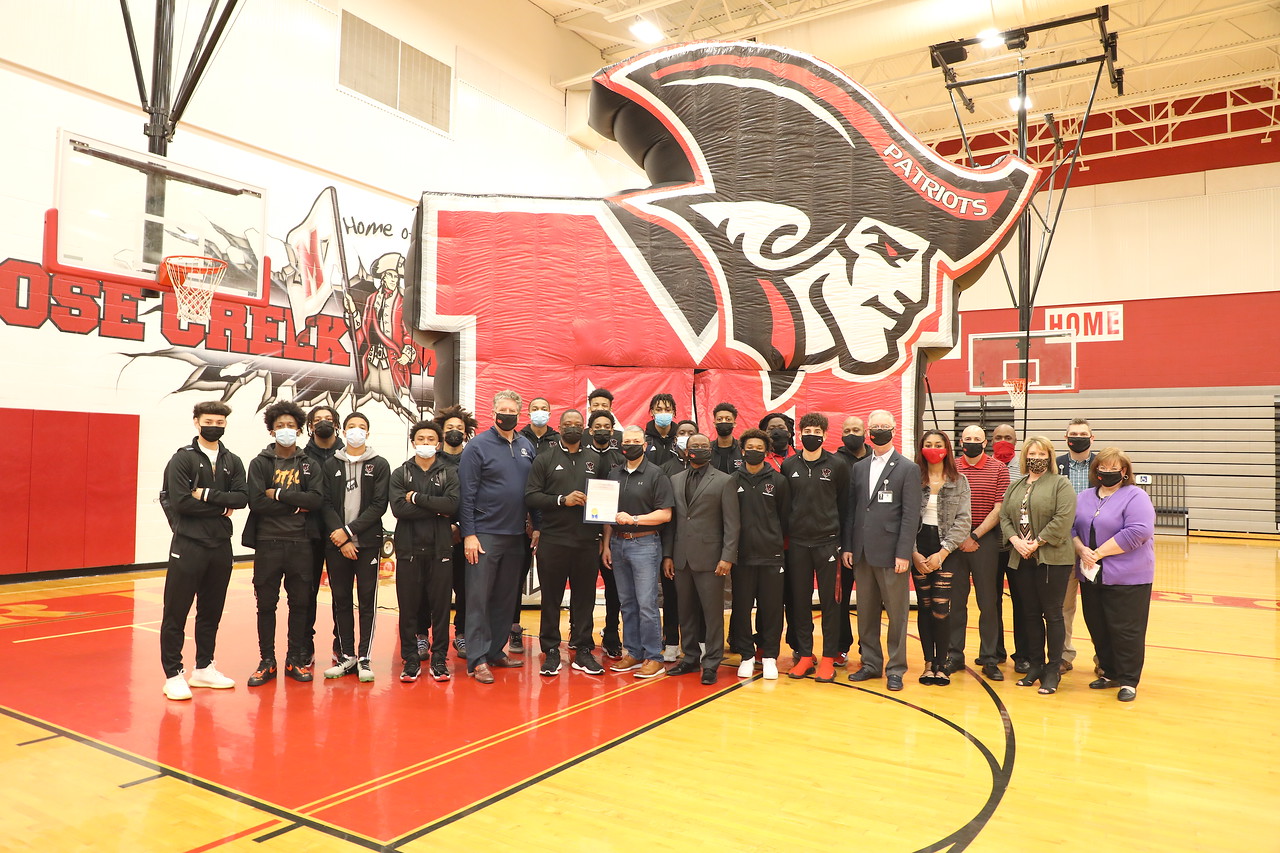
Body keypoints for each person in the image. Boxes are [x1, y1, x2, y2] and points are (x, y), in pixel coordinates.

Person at [158, 401, 248, 700]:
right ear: (196, 422)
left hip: (220, 547)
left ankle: (204, 668)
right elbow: (181, 502)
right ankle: (173, 674)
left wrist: (210, 497)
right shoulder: (181, 459)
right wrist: (222, 508)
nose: (215, 426)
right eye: (209, 421)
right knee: (176, 612)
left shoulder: (232, 460)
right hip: (188, 545)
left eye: (220, 423)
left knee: (211, 611)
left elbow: (241, 498)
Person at [243, 401, 325, 686]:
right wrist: (294, 505)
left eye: (291, 426)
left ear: (300, 430)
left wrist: (276, 494)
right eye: (280, 426)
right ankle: (267, 661)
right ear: (271, 430)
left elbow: (315, 500)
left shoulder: (309, 464)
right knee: (266, 604)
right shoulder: (260, 463)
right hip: (268, 542)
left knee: (300, 603)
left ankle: (295, 659)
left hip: (300, 543)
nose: (286, 430)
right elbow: (255, 502)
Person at [458, 390, 537, 684]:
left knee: (506, 599)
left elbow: (532, 491)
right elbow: (466, 495)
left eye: (512, 410)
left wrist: (536, 525)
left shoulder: (527, 446)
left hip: (516, 535)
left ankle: (495, 651)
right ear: (493, 413)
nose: (507, 414)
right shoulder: (477, 447)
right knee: (479, 599)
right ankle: (477, 660)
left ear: (519, 414)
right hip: (485, 535)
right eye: (502, 409)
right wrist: (469, 534)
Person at [842, 409, 920, 692]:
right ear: (868, 433)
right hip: (862, 553)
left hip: (892, 555)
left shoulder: (907, 468)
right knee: (865, 612)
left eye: (883, 426)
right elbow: (853, 510)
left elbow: (911, 516)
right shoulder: (859, 467)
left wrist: (903, 553)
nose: (878, 431)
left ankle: (896, 668)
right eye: (874, 427)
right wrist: (849, 546)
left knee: (897, 615)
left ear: (894, 429)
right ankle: (871, 663)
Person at [524, 409, 607, 676]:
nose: (572, 428)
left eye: (577, 424)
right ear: (558, 427)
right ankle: (550, 649)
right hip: (553, 540)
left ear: (584, 429)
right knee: (551, 598)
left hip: (586, 542)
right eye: (567, 424)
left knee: (584, 598)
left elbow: (606, 495)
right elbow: (531, 496)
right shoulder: (545, 458)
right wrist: (562, 500)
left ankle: (582, 649)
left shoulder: (596, 459)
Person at [1072, 448, 1155, 702]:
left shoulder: (1135, 496)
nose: (1107, 472)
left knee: (1126, 629)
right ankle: (1109, 671)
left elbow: (1137, 532)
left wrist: (1097, 553)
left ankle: (1128, 680)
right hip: (1091, 575)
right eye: (1102, 467)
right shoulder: (1084, 496)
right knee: (1098, 625)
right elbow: (1073, 527)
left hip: (1128, 576)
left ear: (1124, 471)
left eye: (1113, 468)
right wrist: (1082, 549)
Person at [999, 436, 1076, 695]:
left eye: (1043, 455)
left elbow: (1063, 518)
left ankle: (1053, 669)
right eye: (1033, 454)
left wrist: (1037, 542)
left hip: (1051, 559)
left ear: (1050, 458)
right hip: (1020, 558)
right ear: (1025, 457)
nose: (1037, 458)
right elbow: (1005, 516)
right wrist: (1014, 540)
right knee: (1029, 614)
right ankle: (1035, 665)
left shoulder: (1060, 484)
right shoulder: (1017, 485)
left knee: (1052, 614)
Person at [662, 434, 740, 685]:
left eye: (703, 446)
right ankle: (690, 657)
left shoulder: (725, 481)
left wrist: (727, 556)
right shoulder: (674, 480)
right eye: (693, 446)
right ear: (686, 450)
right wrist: (668, 555)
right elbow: (673, 522)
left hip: (711, 559)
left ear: (711, 450)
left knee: (712, 614)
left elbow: (732, 524)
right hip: (681, 558)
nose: (697, 450)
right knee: (685, 612)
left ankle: (712, 663)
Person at [319, 412, 390, 683]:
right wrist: (342, 538)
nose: (356, 431)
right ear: (343, 431)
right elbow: (325, 503)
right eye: (351, 427)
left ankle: (364, 658)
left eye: (361, 427)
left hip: (367, 544)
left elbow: (379, 505)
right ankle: (346, 656)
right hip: (337, 545)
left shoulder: (379, 464)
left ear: (368, 433)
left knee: (367, 601)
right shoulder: (330, 464)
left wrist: (349, 532)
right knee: (341, 600)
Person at [602, 425, 675, 680]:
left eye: (636, 441)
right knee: (627, 603)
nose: (630, 445)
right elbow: (608, 516)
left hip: (645, 544)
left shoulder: (656, 474)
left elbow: (665, 514)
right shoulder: (614, 474)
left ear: (644, 445)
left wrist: (634, 519)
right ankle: (632, 652)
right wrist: (607, 545)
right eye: (627, 441)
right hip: (618, 545)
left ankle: (654, 657)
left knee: (647, 604)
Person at [782, 412, 850, 682]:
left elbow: (845, 506)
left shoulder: (838, 464)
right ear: (800, 433)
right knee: (799, 602)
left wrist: (843, 544)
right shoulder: (789, 465)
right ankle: (806, 656)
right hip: (798, 544)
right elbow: (786, 505)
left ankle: (828, 658)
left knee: (831, 604)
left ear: (824, 434)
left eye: (817, 430)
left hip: (828, 544)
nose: (812, 434)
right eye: (807, 429)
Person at [390, 420, 459, 682]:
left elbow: (452, 505)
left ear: (438, 444)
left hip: (440, 549)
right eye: (421, 439)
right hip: (408, 551)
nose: (426, 444)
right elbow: (398, 509)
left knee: (441, 609)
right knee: (408, 609)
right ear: (413, 442)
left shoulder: (449, 472)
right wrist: (435, 508)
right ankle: (410, 659)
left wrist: (416, 498)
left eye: (431, 439)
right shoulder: (401, 472)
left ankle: (440, 658)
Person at [949, 424, 1010, 681]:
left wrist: (974, 536)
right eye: (967, 438)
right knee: (956, 602)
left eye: (977, 439)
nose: (972, 442)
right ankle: (954, 655)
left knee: (988, 602)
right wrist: (960, 536)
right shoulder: (951, 466)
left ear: (985, 443)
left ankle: (989, 658)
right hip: (954, 541)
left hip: (985, 540)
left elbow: (999, 509)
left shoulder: (1000, 469)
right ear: (961, 442)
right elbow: (944, 503)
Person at [911, 430, 971, 686]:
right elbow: (904, 518)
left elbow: (963, 520)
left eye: (938, 444)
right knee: (924, 607)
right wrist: (912, 551)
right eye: (928, 444)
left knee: (940, 608)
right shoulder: (912, 478)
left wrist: (943, 551)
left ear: (947, 448)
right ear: (921, 448)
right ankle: (927, 664)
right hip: (918, 547)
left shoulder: (960, 480)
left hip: (947, 550)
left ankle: (941, 664)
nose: (933, 448)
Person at [730, 428, 790, 680]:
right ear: (742, 451)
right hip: (742, 558)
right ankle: (745, 655)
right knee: (742, 608)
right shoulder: (732, 481)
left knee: (772, 609)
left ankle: (769, 657)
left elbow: (785, 518)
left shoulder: (778, 481)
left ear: (766, 452)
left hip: (771, 557)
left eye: (759, 448)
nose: (754, 452)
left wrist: (774, 543)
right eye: (749, 448)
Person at [510, 396, 559, 655]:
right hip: (521, 516)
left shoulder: (559, 439)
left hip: (552, 517)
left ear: (551, 413)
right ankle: (514, 629)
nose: (540, 412)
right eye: (535, 408)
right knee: (516, 577)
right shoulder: (519, 439)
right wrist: (529, 520)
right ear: (527, 413)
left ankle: (558, 635)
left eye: (544, 408)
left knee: (554, 580)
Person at [433, 403, 476, 659]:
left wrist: (460, 526)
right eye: (450, 428)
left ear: (466, 432)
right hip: (435, 534)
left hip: (465, 535)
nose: (454, 432)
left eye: (459, 428)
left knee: (465, 588)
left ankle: (461, 634)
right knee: (434, 590)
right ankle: (425, 637)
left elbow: (475, 498)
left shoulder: (472, 460)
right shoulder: (431, 460)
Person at [1056, 417, 1098, 676]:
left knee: (1098, 608)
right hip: (1063, 545)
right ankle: (1063, 655)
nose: (1078, 437)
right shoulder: (1056, 465)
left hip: (1096, 548)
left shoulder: (1103, 464)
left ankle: (1103, 658)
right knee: (1063, 606)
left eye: (1083, 433)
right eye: (1074, 433)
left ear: (1092, 438)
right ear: (1066, 438)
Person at [302, 406, 343, 668]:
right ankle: (305, 645)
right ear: (309, 426)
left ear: (337, 425)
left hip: (342, 534)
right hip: (309, 534)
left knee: (341, 594)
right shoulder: (301, 456)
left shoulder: (349, 454)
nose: (323, 424)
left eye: (328, 420)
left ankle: (342, 646)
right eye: (317, 421)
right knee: (306, 593)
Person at [585, 410, 625, 658]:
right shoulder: (582, 457)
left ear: (612, 432)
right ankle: (581, 634)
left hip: (611, 534)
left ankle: (611, 633)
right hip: (584, 535)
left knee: (614, 590)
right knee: (585, 588)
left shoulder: (619, 460)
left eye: (606, 426)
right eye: (597, 425)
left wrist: (606, 541)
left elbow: (616, 504)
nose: (602, 429)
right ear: (590, 430)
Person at [657, 418, 696, 660]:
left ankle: (697, 643)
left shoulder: (708, 468)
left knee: (698, 599)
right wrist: (667, 553)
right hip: (673, 543)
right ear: (675, 438)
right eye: (681, 432)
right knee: (671, 596)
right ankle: (671, 641)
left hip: (701, 546)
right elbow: (665, 515)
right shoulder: (664, 469)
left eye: (690, 433)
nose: (685, 436)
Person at [834, 415, 869, 664]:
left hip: (871, 543)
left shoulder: (878, 459)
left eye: (856, 429)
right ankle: (840, 646)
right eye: (847, 430)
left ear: (865, 432)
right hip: (842, 543)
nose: (851, 434)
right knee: (840, 599)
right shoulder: (835, 462)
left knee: (869, 600)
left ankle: (868, 649)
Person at [991, 421, 1024, 671]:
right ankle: (994, 651)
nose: (1004, 441)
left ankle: (1022, 654)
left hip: (1018, 546)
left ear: (1016, 441)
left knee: (1022, 601)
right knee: (991, 601)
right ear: (991, 442)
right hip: (991, 545)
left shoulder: (1025, 469)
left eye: (1008, 437)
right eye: (998, 437)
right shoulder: (986, 467)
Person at [644, 393, 679, 463]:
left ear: (674, 412)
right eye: (659, 410)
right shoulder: (644, 440)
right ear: (652, 412)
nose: (663, 413)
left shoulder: (680, 440)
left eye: (667, 410)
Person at [710, 403, 743, 474]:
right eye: (719, 419)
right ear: (714, 424)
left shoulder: (742, 449)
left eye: (728, 419)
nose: (723, 421)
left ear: (734, 424)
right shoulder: (708, 449)